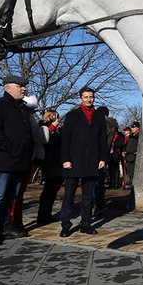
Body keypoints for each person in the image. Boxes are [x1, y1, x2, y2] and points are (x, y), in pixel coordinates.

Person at [0, 74, 35, 246]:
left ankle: (5, 228)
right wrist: (8, 147)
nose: (24, 88)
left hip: (20, 161)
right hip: (5, 160)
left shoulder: (23, 109)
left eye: (24, 86)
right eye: (20, 86)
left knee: (11, 196)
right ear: (7, 88)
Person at [59, 87, 109, 236]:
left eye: (91, 97)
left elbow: (102, 139)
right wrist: (65, 159)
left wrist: (103, 158)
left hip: (92, 160)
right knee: (69, 195)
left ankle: (86, 223)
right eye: (86, 97)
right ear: (80, 99)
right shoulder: (72, 115)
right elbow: (65, 140)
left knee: (88, 196)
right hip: (73, 161)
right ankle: (66, 226)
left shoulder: (99, 116)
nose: (89, 99)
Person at [9, 95, 50, 232]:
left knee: (15, 192)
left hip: (18, 158)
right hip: (24, 158)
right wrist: (45, 127)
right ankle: (15, 222)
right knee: (17, 193)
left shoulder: (21, 118)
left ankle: (13, 222)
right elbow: (42, 137)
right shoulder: (29, 120)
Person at [36, 110, 63, 225]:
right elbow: (43, 139)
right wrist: (52, 127)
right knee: (48, 190)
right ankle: (43, 215)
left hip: (57, 161)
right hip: (49, 161)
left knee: (53, 189)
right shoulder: (43, 126)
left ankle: (47, 214)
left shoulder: (56, 130)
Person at [124, 122, 141, 190]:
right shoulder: (131, 135)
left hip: (135, 155)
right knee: (130, 171)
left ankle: (134, 185)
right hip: (129, 155)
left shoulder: (139, 135)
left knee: (134, 171)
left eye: (133, 127)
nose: (132, 129)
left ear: (137, 128)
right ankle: (131, 183)